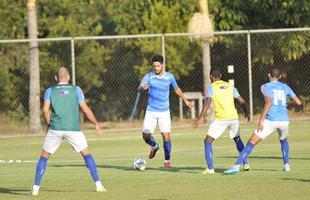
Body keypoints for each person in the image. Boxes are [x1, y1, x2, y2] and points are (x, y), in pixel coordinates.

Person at [31, 67, 106, 195]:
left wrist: (49, 124)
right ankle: (98, 185)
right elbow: (85, 109)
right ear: (69, 77)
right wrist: (96, 124)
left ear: (56, 78)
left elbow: (45, 110)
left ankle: (35, 189)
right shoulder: (76, 90)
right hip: (73, 129)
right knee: (86, 154)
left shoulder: (50, 91)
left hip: (55, 128)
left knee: (44, 156)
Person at [224, 68, 302, 175]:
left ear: (269, 75)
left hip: (271, 121)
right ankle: (286, 165)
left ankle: (237, 166)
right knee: (283, 140)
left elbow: (268, 103)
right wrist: (286, 105)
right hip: (284, 121)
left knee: (251, 142)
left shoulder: (265, 86)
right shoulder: (285, 87)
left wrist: (261, 120)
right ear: (279, 77)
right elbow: (298, 102)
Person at [138, 55, 192, 169]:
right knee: (145, 136)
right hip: (151, 111)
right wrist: (143, 88)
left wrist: (185, 100)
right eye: (154, 66)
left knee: (166, 136)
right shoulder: (148, 76)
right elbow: (139, 88)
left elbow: (176, 89)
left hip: (164, 112)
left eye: (158, 66)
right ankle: (154, 146)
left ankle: (167, 160)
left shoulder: (169, 77)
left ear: (162, 65)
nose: (156, 68)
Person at [193, 68, 250, 174]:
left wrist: (200, 117)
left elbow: (208, 101)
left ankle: (210, 169)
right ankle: (245, 163)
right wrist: (247, 112)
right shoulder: (229, 86)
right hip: (234, 118)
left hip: (221, 119)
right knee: (237, 139)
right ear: (221, 75)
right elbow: (241, 101)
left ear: (210, 77)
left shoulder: (211, 87)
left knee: (207, 141)